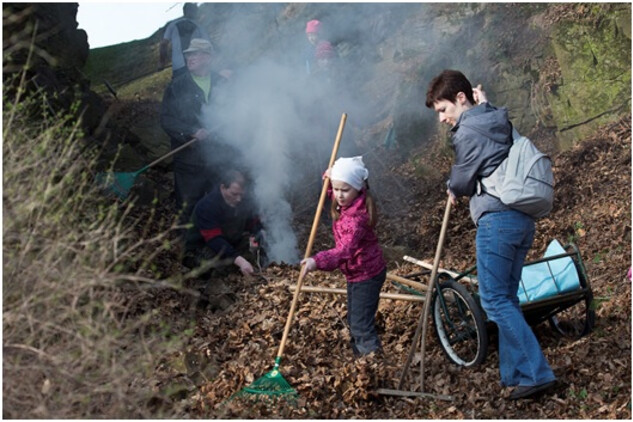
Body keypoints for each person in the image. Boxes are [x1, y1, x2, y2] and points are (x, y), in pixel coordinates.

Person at [425, 69, 557, 400]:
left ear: (460, 98)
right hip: (521, 220)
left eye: (443, 110)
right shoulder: (493, 116)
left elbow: (463, 179)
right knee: (506, 299)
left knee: (494, 301)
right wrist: (482, 102)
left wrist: (452, 186)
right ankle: (514, 375)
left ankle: (536, 372)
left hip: (497, 220)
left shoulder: (467, 131)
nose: (442, 119)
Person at [301, 156, 386, 357]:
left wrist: (316, 261)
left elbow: (344, 252)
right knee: (356, 320)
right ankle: (361, 361)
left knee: (361, 327)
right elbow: (335, 191)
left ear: (357, 188)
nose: (338, 195)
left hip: (366, 275)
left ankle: (372, 366)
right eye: (336, 188)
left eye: (344, 190)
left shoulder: (356, 219)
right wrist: (329, 179)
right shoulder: (349, 201)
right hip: (357, 273)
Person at [160, 38, 233, 228]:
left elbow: (237, 109)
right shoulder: (177, 86)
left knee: (220, 205)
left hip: (218, 158)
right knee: (188, 208)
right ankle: (189, 252)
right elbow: (167, 119)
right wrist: (190, 132)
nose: (188, 58)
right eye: (188, 54)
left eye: (194, 54)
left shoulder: (221, 82)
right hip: (188, 162)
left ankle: (219, 249)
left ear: (208, 57)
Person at [183, 169, 263, 278]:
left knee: (256, 251)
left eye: (241, 194)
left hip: (231, 242)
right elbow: (214, 240)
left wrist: (257, 235)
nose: (239, 199)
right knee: (210, 267)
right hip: (203, 247)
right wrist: (240, 261)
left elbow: (252, 222)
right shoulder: (207, 206)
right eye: (234, 194)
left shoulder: (242, 200)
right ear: (223, 188)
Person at [159, 3, 210, 79]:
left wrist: (162, 62)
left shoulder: (173, 25)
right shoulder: (199, 27)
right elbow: (207, 46)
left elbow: (163, 44)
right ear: (194, 12)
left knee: (180, 89)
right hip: (195, 67)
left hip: (178, 68)